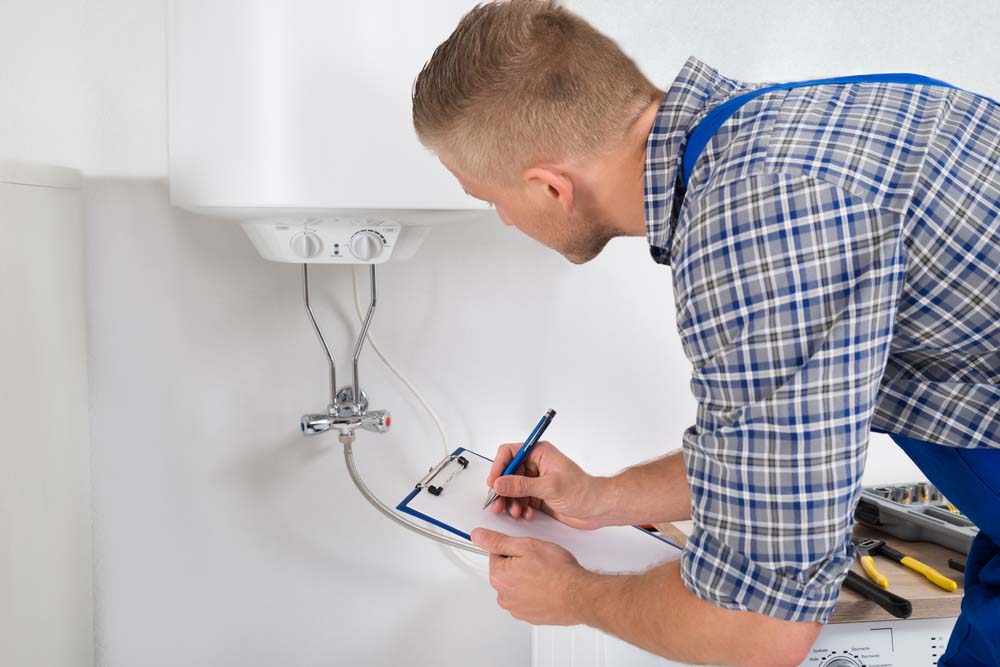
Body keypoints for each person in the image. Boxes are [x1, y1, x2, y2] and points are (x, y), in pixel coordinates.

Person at [411, 2, 1000, 665]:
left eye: (492, 200)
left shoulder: (760, 225)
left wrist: (573, 593)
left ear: (550, 188)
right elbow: (776, 455)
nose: (506, 222)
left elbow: (759, 628)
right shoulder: (768, 138)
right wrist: (601, 499)